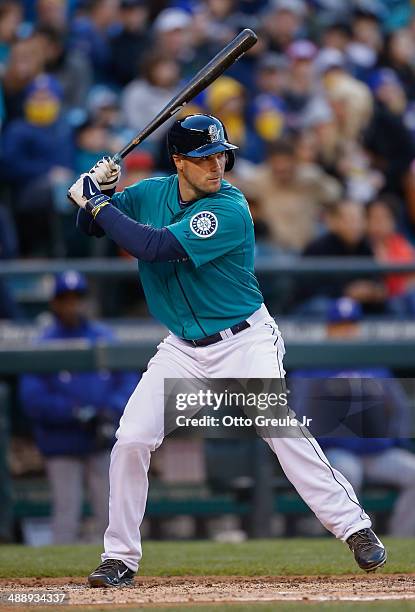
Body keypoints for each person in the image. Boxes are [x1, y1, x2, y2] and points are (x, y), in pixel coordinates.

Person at [68, 113, 387, 587]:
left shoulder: (231, 208)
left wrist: (98, 204)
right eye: (204, 157)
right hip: (182, 348)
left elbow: (152, 246)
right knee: (132, 438)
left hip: (245, 339)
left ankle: (354, 527)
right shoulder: (151, 194)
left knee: (277, 427)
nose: (217, 164)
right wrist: (97, 189)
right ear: (179, 161)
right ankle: (119, 557)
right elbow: (92, 227)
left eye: (221, 155)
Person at [19, 271, 138, 544]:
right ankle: (56, 581)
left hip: (101, 437)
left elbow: (129, 381)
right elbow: (33, 399)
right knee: (66, 513)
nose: (73, 305)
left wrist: (108, 411)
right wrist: (76, 412)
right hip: (61, 441)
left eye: (78, 298)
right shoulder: (43, 343)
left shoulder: (104, 336)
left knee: (110, 513)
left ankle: (114, 567)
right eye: (66, 299)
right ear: (55, 303)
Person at [291, 297, 415, 537]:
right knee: (347, 475)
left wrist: (396, 440)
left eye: (351, 325)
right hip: (337, 452)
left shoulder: (374, 364)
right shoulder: (313, 365)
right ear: (329, 329)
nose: (346, 331)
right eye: (339, 326)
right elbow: (300, 413)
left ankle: (403, 540)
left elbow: (398, 407)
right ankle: (351, 542)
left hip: (378, 453)